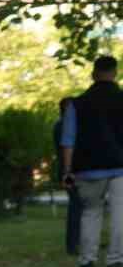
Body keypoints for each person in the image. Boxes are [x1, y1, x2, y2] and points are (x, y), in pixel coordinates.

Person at [59, 55, 123, 267]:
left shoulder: (75, 105)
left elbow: (68, 140)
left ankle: (87, 260)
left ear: (93, 74)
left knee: (90, 212)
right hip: (120, 167)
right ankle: (116, 260)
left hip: (88, 169)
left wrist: (67, 171)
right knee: (120, 213)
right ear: (115, 73)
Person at [53, 96, 81, 256]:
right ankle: (73, 244)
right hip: (69, 172)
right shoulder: (65, 126)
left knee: (77, 206)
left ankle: (76, 242)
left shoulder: (59, 125)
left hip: (66, 171)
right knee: (76, 207)